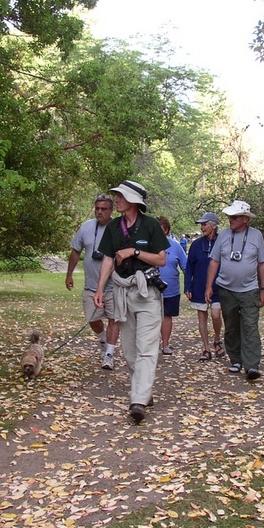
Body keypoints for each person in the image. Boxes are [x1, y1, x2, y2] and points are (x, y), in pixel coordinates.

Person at [94, 180, 167, 424]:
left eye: (121, 196)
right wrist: (100, 288)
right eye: (116, 195)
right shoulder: (114, 227)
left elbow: (161, 259)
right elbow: (106, 259)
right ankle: (144, 390)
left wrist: (134, 252)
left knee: (146, 348)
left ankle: (137, 400)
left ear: (134, 201)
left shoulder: (151, 225)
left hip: (147, 294)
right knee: (129, 350)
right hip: (122, 293)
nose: (117, 199)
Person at [205, 200, 264, 381]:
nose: (230, 219)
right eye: (229, 216)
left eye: (234, 217)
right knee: (231, 325)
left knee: (250, 326)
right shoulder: (224, 235)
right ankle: (235, 359)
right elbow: (214, 261)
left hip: (250, 290)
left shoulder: (256, 236)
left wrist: (263, 289)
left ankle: (251, 365)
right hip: (226, 289)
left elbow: (262, 263)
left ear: (245, 219)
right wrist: (209, 286)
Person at [66, 194, 120, 370]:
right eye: (97, 208)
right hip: (90, 285)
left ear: (111, 210)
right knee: (92, 319)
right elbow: (75, 251)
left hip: (113, 286)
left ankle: (109, 355)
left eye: (104, 209)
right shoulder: (86, 227)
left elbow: (120, 257)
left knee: (114, 319)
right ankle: (103, 340)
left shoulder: (119, 228)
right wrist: (69, 274)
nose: (99, 212)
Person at [184, 212, 224, 361]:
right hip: (199, 286)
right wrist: (188, 286)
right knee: (202, 316)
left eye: (204, 224)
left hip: (217, 286)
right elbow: (189, 266)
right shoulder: (196, 244)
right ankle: (206, 348)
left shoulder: (222, 242)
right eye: (201, 225)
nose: (202, 227)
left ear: (213, 226)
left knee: (215, 314)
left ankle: (217, 340)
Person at [156, 216, 187, 356]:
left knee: (167, 316)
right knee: (151, 316)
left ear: (167, 230)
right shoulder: (148, 245)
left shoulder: (175, 246)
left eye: (160, 230)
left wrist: (189, 285)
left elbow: (185, 267)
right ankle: (151, 344)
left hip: (171, 289)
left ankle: (165, 344)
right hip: (151, 289)